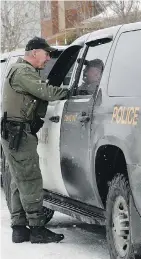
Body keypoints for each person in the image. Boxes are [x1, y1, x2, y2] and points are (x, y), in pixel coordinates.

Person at [1, 37, 69, 244]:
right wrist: (70, 91)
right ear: (34, 52)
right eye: (46, 54)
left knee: (18, 180)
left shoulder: (21, 70)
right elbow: (45, 92)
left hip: (15, 132)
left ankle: (19, 229)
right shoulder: (23, 72)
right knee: (30, 179)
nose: (48, 58)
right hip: (19, 133)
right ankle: (38, 229)